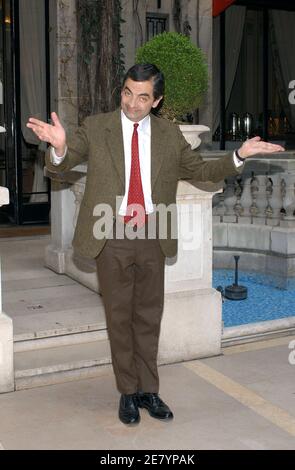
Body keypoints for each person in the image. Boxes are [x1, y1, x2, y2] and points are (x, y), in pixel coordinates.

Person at [27, 63, 284, 426]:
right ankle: (128, 393)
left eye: (142, 96)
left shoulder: (168, 135)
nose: (132, 103)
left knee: (148, 317)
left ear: (157, 100)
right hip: (110, 233)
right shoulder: (97, 126)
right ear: (122, 91)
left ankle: (149, 389)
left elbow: (201, 171)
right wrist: (59, 147)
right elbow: (67, 159)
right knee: (119, 318)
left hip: (152, 233)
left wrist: (239, 155)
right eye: (127, 92)